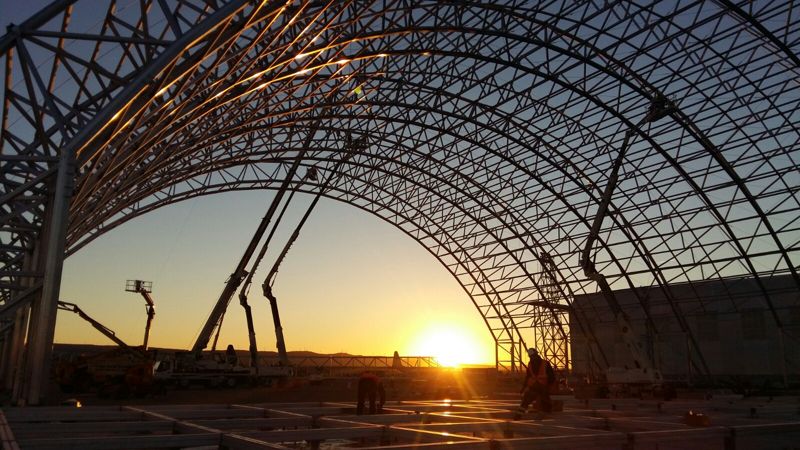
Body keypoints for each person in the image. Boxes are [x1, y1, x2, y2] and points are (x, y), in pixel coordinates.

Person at [514, 348, 555, 419]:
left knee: (545, 401)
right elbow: (528, 376)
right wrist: (524, 387)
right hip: (535, 386)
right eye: (531, 357)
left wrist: (549, 386)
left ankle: (544, 415)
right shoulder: (531, 364)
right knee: (526, 400)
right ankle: (518, 415)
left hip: (542, 386)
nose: (532, 358)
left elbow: (551, 376)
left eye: (532, 356)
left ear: (536, 355)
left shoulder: (545, 363)